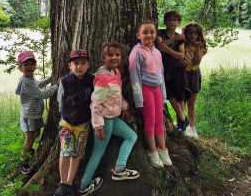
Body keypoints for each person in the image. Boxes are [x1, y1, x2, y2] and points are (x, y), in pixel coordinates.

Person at [79, 42, 139, 196]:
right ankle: (84, 185)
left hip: (113, 118)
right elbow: (96, 104)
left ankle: (120, 168)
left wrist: (124, 107)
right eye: (110, 55)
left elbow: (117, 94)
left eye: (117, 55)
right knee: (98, 152)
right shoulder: (102, 78)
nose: (114, 57)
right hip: (104, 120)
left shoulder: (116, 73)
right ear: (102, 58)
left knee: (132, 135)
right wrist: (98, 126)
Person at [129, 21, 172, 168]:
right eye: (145, 32)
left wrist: (163, 94)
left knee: (159, 119)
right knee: (150, 120)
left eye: (152, 32)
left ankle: (162, 149)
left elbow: (161, 74)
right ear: (138, 35)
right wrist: (138, 98)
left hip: (157, 90)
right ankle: (152, 150)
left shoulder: (157, 52)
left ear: (156, 34)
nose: (149, 35)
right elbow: (134, 76)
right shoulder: (137, 53)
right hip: (145, 89)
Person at [53, 49, 94, 196]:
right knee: (65, 152)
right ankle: (62, 183)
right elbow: (60, 100)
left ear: (88, 65)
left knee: (77, 154)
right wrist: (65, 115)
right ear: (70, 65)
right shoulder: (65, 81)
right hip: (67, 123)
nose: (79, 67)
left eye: (83, 63)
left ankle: (70, 184)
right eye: (75, 63)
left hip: (83, 125)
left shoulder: (92, 80)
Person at [15, 51, 59, 175]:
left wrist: (49, 80)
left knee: (37, 133)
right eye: (25, 64)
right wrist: (56, 86)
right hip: (29, 115)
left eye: (31, 64)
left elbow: (38, 85)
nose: (29, 67)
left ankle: (28, 150)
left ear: (35, 65)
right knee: (29, 139)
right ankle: (24, 163)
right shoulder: (26, 82)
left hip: (34, 114)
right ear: (20, 67)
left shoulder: (30, 79)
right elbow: (42, 94)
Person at [156, 9, 191, 132]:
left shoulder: (181, 38)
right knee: (169, 94)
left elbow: (181, 56)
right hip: (164, 69)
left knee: (179, 96)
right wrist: (174, 39)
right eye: (169, 20)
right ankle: (183, 119)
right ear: (165, 22)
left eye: (174, 20)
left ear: (179, 22)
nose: (172, 22)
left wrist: (169, 50)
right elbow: (160, 46)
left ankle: (181, 123)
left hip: (177, 69)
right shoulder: (160, 33)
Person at [182, 22, 207, 139]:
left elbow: (197, 62)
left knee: (191, 103)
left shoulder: (201, 47)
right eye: (190, 33)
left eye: (195, 33)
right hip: (182, 74)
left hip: (194, 74)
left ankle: (191, 127)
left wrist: (197, 48)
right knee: (182, 101)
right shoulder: (182, 45)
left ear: (199, 34)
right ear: (185, 34)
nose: (192, 35)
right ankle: (182, 124)